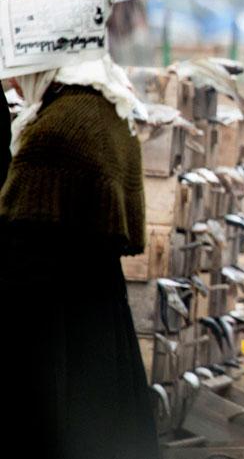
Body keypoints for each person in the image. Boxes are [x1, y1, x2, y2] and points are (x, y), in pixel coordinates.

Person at [0, 50, 158, 458]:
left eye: (19, 73)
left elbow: (25, 226)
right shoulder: (102, 104)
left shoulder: (59, 125)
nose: (15, 84)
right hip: (95, 290)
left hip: (59, 299)